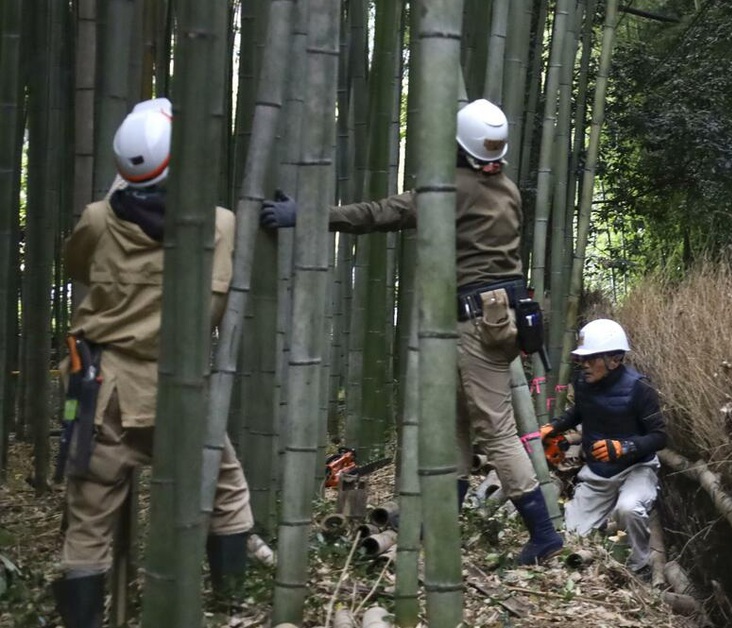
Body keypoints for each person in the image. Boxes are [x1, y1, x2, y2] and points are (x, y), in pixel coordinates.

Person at [260, 98, 564, 565]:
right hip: (500, 319)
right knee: (457, 427)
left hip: (473, 324)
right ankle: (432, 522)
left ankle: (544, 535)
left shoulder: (453, 189)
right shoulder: (506, 188)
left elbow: (382, 213)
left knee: (497, 431)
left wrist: (308, 215)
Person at [54, 98, 254, 626]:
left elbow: (75, 264)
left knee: (89, 518)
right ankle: (232, 607)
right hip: (181, 392)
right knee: (227, 493)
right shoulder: (221, 225)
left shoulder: (99, 219)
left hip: (103, 392)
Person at [539, 319, 667, 579]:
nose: (584, 365)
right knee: (571, 537)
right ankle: (601, 550)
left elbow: (660, 436)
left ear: (615, 359)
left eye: (591, 358)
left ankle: (639, 569)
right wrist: (553, 427)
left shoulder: (640, 388)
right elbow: (579, 411)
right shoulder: (583, 381)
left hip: (637, 469)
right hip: (598, 473)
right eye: (582, 359)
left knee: (629, 508)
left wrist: (624, 447)